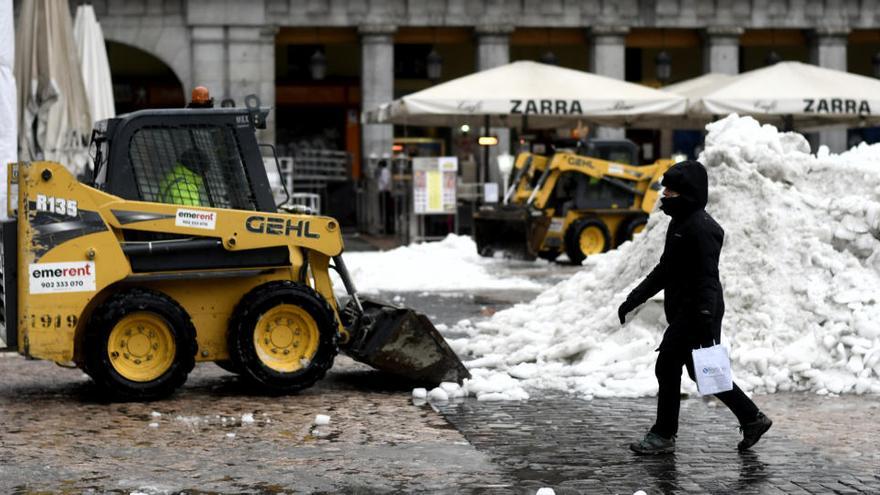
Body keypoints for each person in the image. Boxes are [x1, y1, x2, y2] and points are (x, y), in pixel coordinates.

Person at [617, 160, 772, 455]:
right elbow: (666, 269)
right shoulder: (680, 223)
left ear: (688, 192)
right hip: (691, 309)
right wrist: (634, 298)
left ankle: (663, 434)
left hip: (698, 311)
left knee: (668, 365)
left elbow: (707, 277)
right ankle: (752, 418)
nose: (666, 195)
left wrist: (702, 315)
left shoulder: (701, 228)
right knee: (701, 372)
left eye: (672, 190)